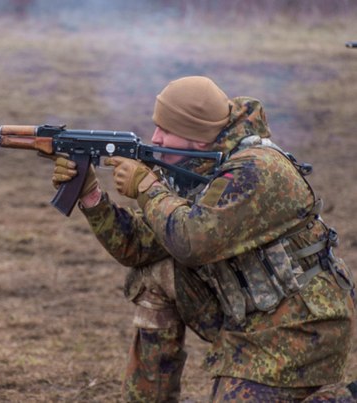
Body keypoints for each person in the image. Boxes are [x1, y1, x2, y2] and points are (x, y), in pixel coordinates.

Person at [51, 76, 357, 402]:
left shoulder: (257, 170)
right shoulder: (198, 164)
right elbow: (141, 247)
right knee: (153, 272)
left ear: (198, 138)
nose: (155, 137)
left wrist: (147, 188)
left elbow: (193, 242)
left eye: (166, 130)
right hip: (249, 317)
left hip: (303, 327)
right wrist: (92, 198)